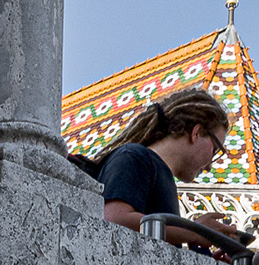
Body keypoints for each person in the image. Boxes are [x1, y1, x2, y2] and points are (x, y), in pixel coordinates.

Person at [94, 87, 240, 254]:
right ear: (197, 132)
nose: (209, 166)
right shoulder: (135, 157)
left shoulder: (158, 173)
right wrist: (194, 231)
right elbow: (114, 219)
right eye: (215, 149)